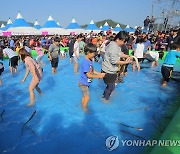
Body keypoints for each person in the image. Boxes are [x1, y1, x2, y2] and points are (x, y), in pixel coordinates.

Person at [101, 31, 131, 102]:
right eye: (123, 41)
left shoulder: (113, 44)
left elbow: (118, 54)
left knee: (110, 86)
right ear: (117, 39)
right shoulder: (114, 47)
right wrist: (125, 62)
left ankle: (104, 96)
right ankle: (105, 100)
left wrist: (127, 56)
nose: (124, 43)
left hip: (108, 69)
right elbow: (114, 61)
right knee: (111, 86)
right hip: (108, 70)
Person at [79, 43, 105, 112]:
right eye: (93, 53)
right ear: (88, 52)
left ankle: (82, 105)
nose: (94, 54)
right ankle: (84, 109)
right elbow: (88, 75)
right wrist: (98, 76)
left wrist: (99, 73)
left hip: (86, 83)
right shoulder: (85, 62)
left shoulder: (89, 61)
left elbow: (92, 70)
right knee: (87, 97)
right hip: (83, 83)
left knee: (84, 96)